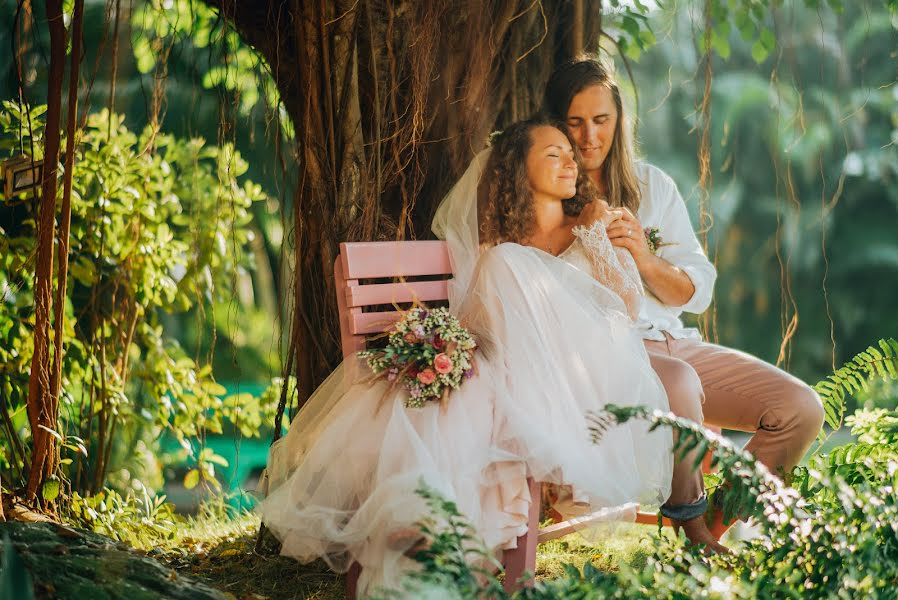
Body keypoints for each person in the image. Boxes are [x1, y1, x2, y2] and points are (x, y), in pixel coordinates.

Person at [256, 119, 675, 596]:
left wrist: (597, 237)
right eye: (553, 154)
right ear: (521, 168)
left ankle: (442, 538)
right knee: (462, 394)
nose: (570, 163)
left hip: (584, 376)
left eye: (569, 155)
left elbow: (627, 305)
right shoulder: (496, 246)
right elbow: (479, 324)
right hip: (510, 375)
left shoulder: (589, 226)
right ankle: (432, 544)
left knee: (483, 345)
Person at [543, 56, 825, 540]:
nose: (589, 136)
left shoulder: (653, 186)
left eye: (601, 120)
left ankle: (710, 532)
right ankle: (694, 534)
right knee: (681, 381)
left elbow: (697, 290)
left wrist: (645, 259)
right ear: (555, 124)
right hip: (604, 355)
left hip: (673, 339)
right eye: (575, 122)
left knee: (800, 408)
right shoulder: (546, 191)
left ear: (619, 121)